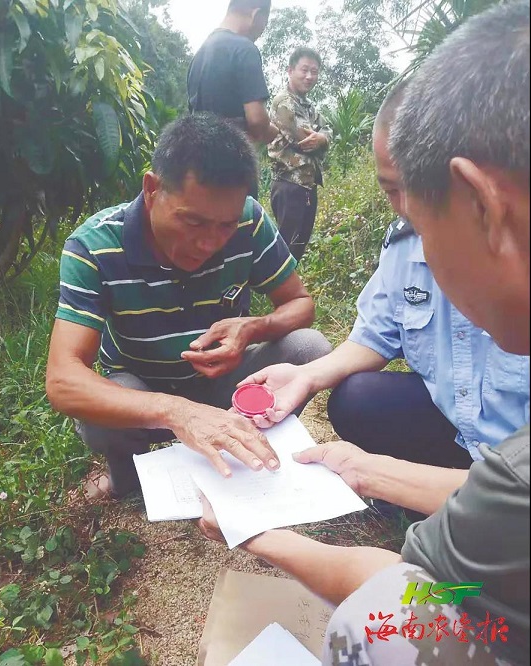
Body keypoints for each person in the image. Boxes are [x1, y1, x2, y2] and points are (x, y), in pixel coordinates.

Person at [199, 3, 530, 665]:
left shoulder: (514, 481)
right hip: (480, 462)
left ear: (481, 204)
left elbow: (414, 594)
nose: (412, 230)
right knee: (358, 398)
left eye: (417, 201)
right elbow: (376, 336)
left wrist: (258, 532)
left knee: (389, 623)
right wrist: (345, 440)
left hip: (495, 486)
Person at [235, 79, 529, 492]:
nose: (409, 211)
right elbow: (376, 334)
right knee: (358, 398)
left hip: (517, 463)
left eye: (418, 189)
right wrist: (307, 376)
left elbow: (516, 502)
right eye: (392, 189)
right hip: (465, 431)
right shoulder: (407, 245)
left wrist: (377, 477)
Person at [45, 114, 331, 500]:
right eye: (193, 222)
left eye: (225, 226)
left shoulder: (249, 221)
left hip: (225, 384)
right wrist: (178, 411)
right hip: (142, 389)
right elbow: (63, 379)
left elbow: (299, 303)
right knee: (98, 414)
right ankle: (128, 478)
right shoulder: (94, 247)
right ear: (152, 189)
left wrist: (254, 328)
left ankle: (246, 455)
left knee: (310, 349)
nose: (209, 243)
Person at [187, 0, 277, 200]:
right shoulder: (244, 48)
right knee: (239, 219)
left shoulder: (199, 54)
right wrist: (271, 130)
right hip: (234, 170)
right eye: (265, 23)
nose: (262, 31)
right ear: (255, 14)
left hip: (200, 171)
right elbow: (257, 121)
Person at [268, 47, 332, 261]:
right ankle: (275, 284)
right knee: (285, 252)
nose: (309, 76)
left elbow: (327, 130)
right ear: (290, 70)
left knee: (297, 250)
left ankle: (289, 283)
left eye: (314, 71)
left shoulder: (307, 105)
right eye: (304, 70)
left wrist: (322, 138)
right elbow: (304, 139)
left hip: (307, 185)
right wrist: (320, 137)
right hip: (289, 184)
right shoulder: (284, 102)